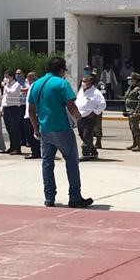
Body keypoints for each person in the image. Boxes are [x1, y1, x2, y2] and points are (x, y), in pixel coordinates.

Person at [27, 57, 93, 208]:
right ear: (61, 70)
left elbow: (31, 110)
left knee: (47, 164)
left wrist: (36, 129)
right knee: (71, 162)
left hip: (45, 129)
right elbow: (71, 105)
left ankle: (49, 197)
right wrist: (79, 120)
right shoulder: (62, 83)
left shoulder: (36, 84)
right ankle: (75, 197)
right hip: (62, 128)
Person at [75, 73, 106, 159]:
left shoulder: (96, 93)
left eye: (85, 82)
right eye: (83, 81)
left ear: (90, 83)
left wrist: (95, 113)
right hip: (80, 117)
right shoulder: (81, 91)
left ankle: (86, 154)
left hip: (89, 118)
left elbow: (103, 104)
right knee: (82, 135)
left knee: (87, 136)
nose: (83, 83)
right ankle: (93, 152)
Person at [1, 70, 25, 155]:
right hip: (7, 108)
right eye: (5, 77)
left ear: (11, 77)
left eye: (7, 77)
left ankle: (17, 148)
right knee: (9, 129)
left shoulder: (16, 85)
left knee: (15, 129)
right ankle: (12, 146)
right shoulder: (7, 85)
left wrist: (5, 86)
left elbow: (12, 93)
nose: (5, 78)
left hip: (14, 108)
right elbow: (4, 97)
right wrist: (2, 108)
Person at [123, 73, 140, 151]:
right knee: (132, 128)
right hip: (129, 111)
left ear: (136, 80)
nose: (130, 81)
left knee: (135, 128)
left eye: (131, 80)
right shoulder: (130, 88)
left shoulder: (138, 90)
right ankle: (135, 144)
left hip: (134, 112)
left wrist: (137, 112)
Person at [22, 70, 41, 160]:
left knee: (33, 134)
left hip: (33, 114)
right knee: (30, 134)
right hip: (28, 113)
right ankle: (35, 151)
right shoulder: (31, 86)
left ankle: (35, 152)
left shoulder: (34, 86)